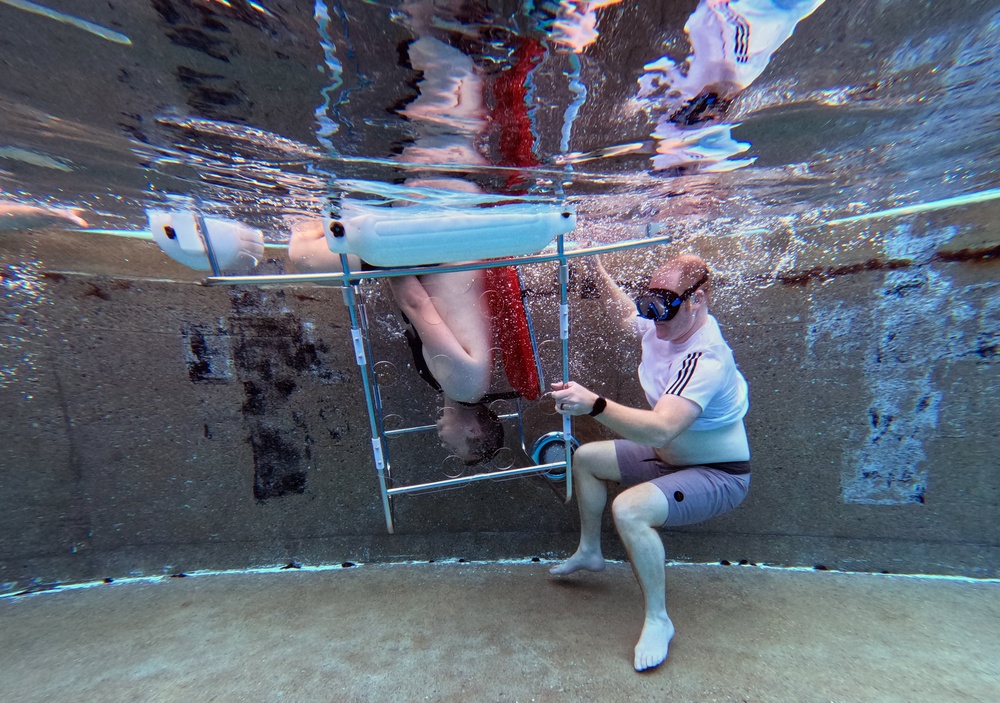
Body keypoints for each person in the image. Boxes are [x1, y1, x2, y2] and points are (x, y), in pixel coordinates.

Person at [549, 253, 751, 672]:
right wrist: (598, 271)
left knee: (631, 509)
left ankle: (659, 619)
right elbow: (627, 315)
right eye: (649, 305)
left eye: (663, 307)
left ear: (698, 299)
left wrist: (595, 405)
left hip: (718, 474)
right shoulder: (665, 327)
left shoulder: (705, 357)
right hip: (667, 461)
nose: (652, 318)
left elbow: (662, 429)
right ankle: (589, 551)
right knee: (585, 459)